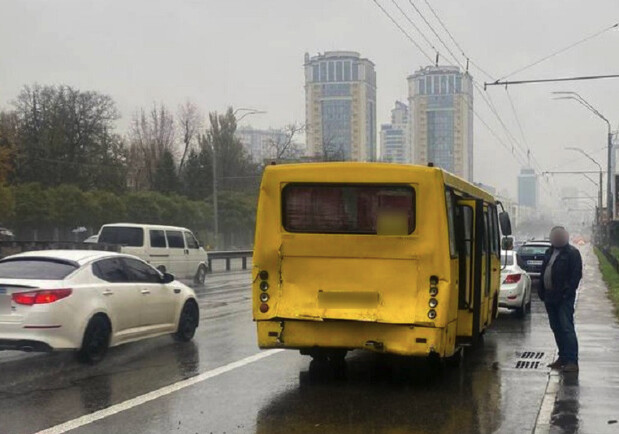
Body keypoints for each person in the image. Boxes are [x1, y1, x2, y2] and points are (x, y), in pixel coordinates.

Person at [538, 226, 582, 373]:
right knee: (556, 327)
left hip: (563, 299)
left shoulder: (572, 253)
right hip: (549, 297)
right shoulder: (549, 252)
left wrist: (567, 293)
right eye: (554, 236)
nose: (557, 238)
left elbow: (576, 276)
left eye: (559, 236)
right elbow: (544, 272)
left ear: (565, 237)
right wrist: (541, 291)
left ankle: (572, 361)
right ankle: (562, 357)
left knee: (566, 328)